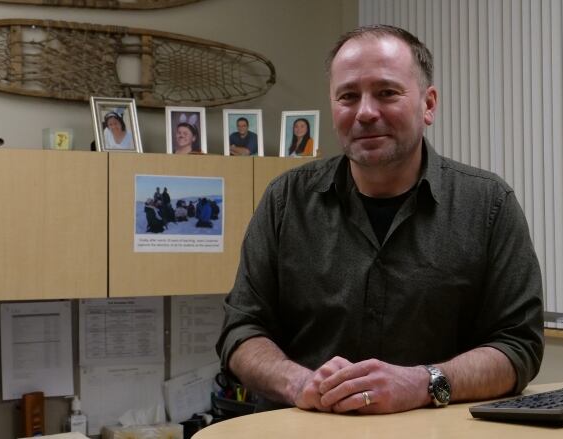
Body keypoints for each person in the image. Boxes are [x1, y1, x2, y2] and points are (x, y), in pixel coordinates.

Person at [217, 25, 544, 415]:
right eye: (348, 96)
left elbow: (519, 346)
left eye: (387, 93)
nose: (366, 112)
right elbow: (241, 331)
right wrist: (300, 382)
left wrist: (424, 383)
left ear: (429, 104)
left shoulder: (489, 205)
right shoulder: (285, 201)